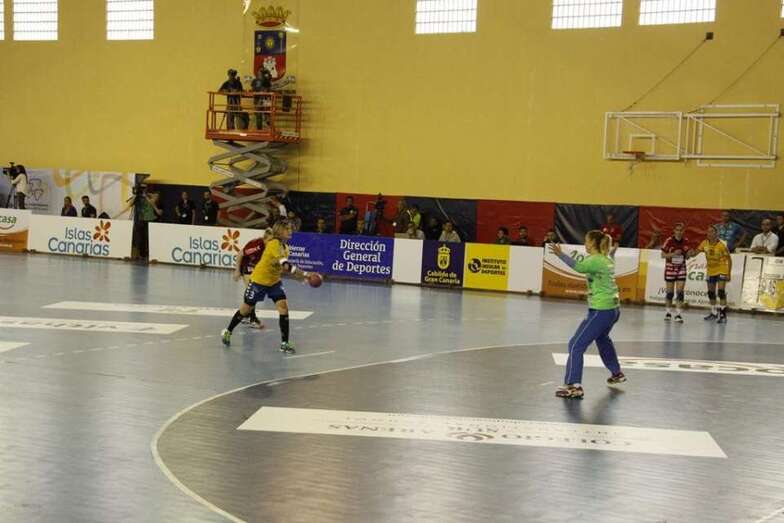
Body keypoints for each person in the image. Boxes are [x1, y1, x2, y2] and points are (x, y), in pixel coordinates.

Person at [549, 231, 625, 399]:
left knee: (575, 345)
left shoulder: (596, 259)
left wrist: (560, 254)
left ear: (593, 243)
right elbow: (608, 259)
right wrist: (612, 252)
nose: (585, 244)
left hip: (601, 310)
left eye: (586, 241)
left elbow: (579, 267)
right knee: (603, 339)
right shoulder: (606, 258)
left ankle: (573, 386)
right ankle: (616, 373)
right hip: (613, 309)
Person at [221, 221, 312, 353]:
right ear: (279, 231)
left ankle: (284, 343)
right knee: (246, 309)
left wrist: (300, 278)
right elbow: (286, 265)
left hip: (274, 282)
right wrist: (305, 274)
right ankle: (228, 331)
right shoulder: (273, 244)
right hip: (259, 280)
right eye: (287, 229)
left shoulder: (286, 248)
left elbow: (283, 268)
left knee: (283, 308)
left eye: (290, 229)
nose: (290, 231)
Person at [233, 229, 274, 329]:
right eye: (269, 241)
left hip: (257, 268)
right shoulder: (257, 246)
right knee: (253, 290)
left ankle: (246, 315)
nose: (271, 243)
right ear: (264, 239)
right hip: (247, 266)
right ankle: (252, 319)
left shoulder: (272, 247)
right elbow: (240, 254)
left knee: (252, 291)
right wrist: (237, 270)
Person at [693, 225, 732, 324]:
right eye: (708, 231)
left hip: (721, 269)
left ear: (716, 233)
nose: (709, 233)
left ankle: (723, 315)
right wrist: (688, 253)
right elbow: (695, 253)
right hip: (710, 270)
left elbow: (729, 259)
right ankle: (714, 313)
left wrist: (728, 273)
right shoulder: (704, 243)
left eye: (712, 231)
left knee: (721, 292)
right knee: (711, 292)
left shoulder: (721, 245)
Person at [660, 223, 690, 323]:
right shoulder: (669, 241)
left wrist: (689, 255)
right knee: (670, 293)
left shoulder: (686, 241)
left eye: (681, 230)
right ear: (674, 231)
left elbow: (687, 255)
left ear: (683, 231)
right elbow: (662, 255)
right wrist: (673, 254)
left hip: (681, 268)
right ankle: (668, 313)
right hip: (670, 268)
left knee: (680, 292)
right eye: (677, 230)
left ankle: (678, 314)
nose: (679, 232)